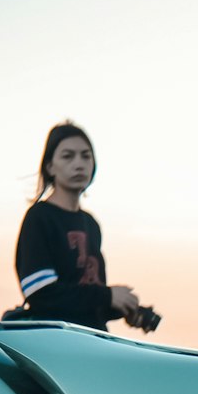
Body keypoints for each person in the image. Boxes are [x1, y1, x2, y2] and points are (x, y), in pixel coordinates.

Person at [13, 122, 143, 333]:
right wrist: (108, 296)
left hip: (95, 342)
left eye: (86, 156)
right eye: (67, 156)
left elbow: (84, 296)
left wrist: (120, 307)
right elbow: (40, 293)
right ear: (49, 166)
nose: (79, 163)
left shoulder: (91, 224)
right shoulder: (39, 217)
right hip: (58, 346)